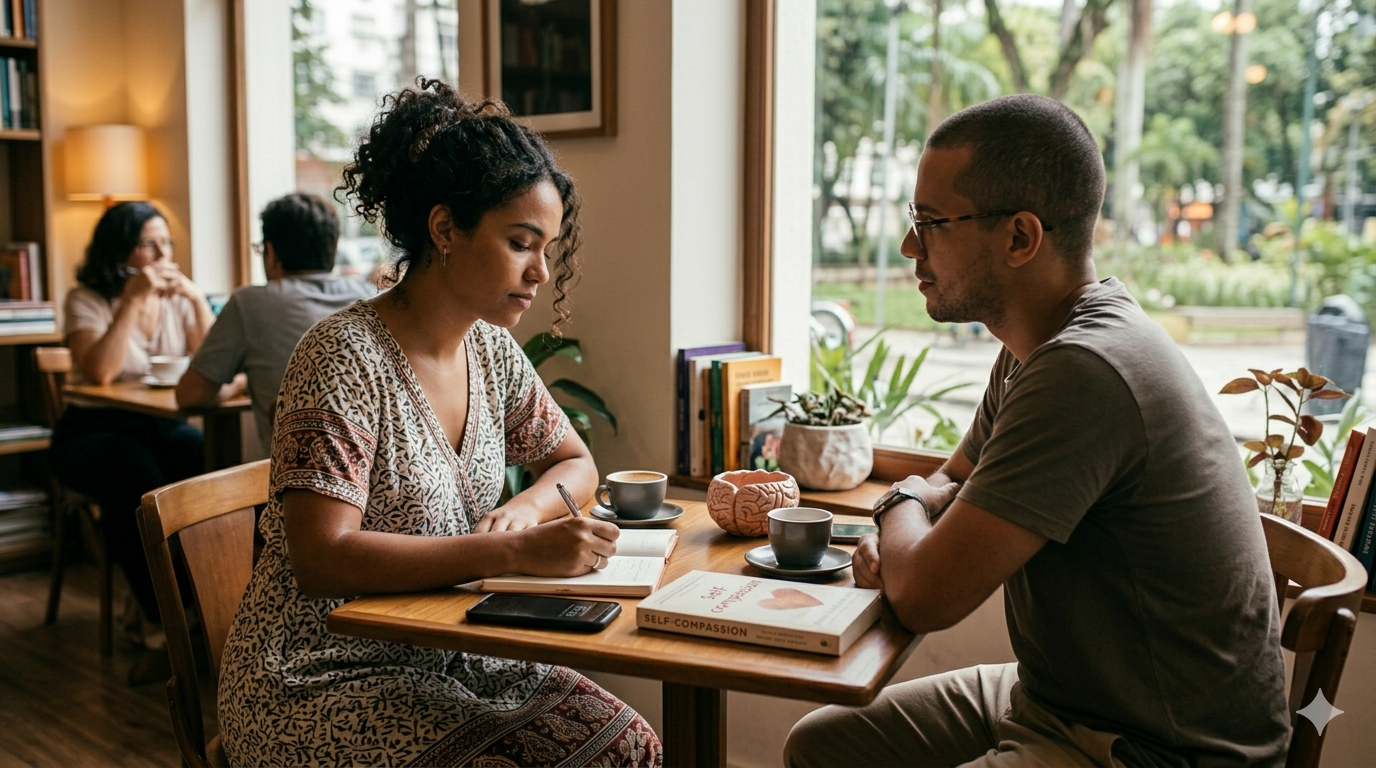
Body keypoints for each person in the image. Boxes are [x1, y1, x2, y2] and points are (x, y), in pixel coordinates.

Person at [785, 95, 1289, 767]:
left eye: (931, 222)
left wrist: (897, 503)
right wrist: (916, 514)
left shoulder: (1084, 371)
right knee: (821, 747)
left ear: (1020, 238)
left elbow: (926, 595)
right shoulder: (1037, 343)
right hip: (1059, 703)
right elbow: (953, 478)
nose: (909, 245)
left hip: (1158, 750)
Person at [217, 79, 661, 767]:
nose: (541, 271)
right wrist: (510, 553)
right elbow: (321, 558)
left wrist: (523, 512)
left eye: (547, 248)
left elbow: (575, 464)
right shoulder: (341, 357)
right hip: (316, 677)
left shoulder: (490, 349)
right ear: (445, 229)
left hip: (455, 651)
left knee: (628, 745)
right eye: (521, 243)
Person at [50, 201, 218, 682]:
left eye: (167, 243)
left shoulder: (177, 299)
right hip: (92, 429)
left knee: (198, 460)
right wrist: (130, 300)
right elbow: (100, 370)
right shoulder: (86, 298)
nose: (163, 253)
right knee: (134, 479)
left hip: (157, 426)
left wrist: (197, 300)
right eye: (150, 243)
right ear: (122, 249)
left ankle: (204, 610)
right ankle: (163, 620)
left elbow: (212, 362)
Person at [175, 192, 374, 455]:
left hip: (292, 480)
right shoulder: (371, 296)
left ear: (270, 252)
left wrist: (240, 382)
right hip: (373, 474)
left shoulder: (250, 303)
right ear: (332, 249)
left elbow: (191, 395)